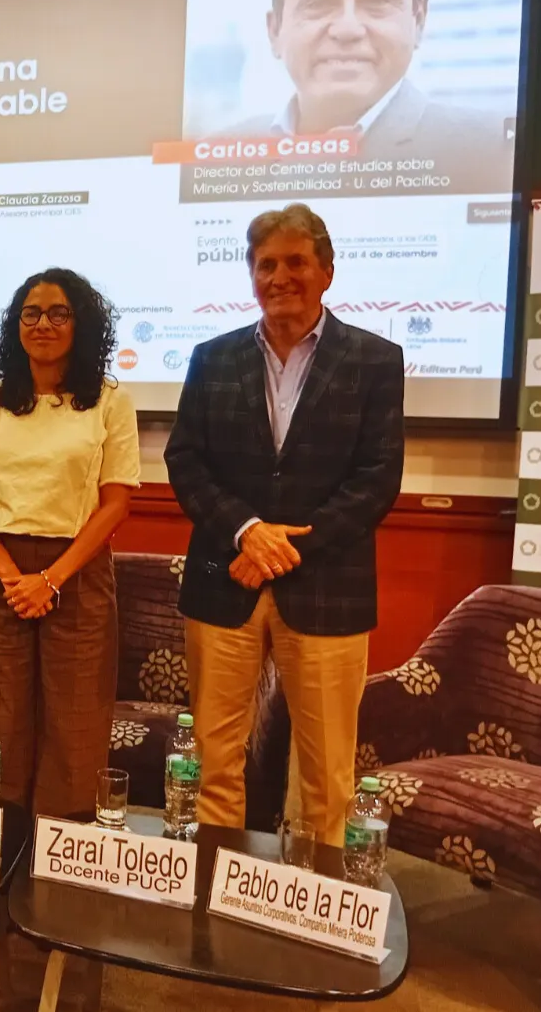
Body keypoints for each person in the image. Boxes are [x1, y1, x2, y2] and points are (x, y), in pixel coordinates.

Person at [164, 202, 404, 846]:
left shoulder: (375, 360)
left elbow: (377, 479)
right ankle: (210, 888)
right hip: (224, 582)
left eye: (295, 262)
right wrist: (247, 531)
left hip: (327, 589)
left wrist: (283, 549)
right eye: (265, 264)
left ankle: (318, 901)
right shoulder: (211, 358)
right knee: (213, 763)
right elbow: (184, 460)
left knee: (326, 778)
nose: (279, 277)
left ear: (327, 271)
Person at [0, 269, 139, 819]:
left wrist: (52, 579)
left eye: (59, 313)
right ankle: (1, 851)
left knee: (75, 721)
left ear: (82, 325)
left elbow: (116, 503)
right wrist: (9, 572)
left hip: (77, 572)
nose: (43, 324)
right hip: (3, 574)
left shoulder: (109, 401)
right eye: (30, 313)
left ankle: (60, 860)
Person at [228, 0, 510, 190]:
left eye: (378, 1)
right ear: (275, 31)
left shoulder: (494, 150)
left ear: (419, 21)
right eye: (318, 3)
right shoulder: (219, 154)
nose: (347, 29)